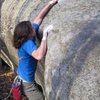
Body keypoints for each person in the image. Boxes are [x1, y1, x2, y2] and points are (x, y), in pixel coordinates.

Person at [12, 0, 58, 100]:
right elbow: (39, 56)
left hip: (22, 76)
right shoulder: (27, 43)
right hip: (26, 84)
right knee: (40, 98)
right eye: (31, 28)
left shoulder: (27, 35)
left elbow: (39, 18)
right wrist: (44, 36)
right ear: (27, 34)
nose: (34, 27)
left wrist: (50, 4)